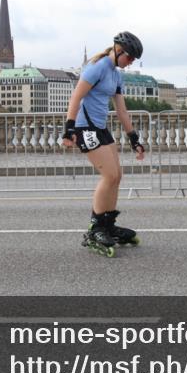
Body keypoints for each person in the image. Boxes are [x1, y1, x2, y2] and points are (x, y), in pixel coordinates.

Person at [61, 32, 145, 257]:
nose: (131, 63)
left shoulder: (116, 75)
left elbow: (121, 110)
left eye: (134, 60)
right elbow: (76, 97)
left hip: (100, 127)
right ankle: (94, 228)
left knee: (117, 175)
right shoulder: (96, 68)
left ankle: (107, 222)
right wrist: (69, 128)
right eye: (130, 58)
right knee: (108, 176)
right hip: (85, 127)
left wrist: (133, 138)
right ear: (118, 51)